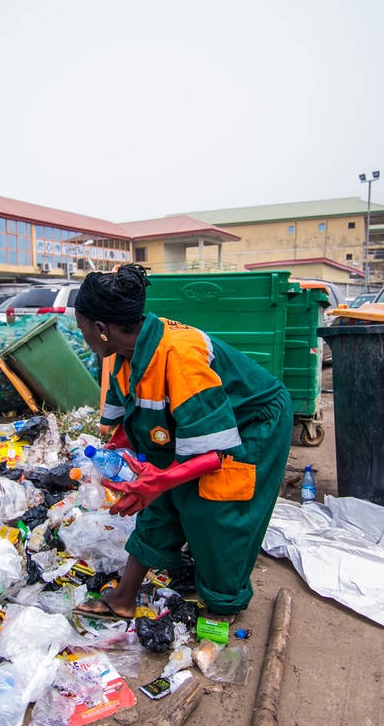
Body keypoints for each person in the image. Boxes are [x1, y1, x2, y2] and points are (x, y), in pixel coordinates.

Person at [72, 264, 293, 621]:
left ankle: (224, 604)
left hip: (252, 421)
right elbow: (132, 423)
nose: (82, 336)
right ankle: (124, 598)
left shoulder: (178, 357)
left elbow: (213, 454)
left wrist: (160, 481)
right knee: (159, 498)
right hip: (199, 424)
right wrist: (112, 458)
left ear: (101, 329)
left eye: (81, 329)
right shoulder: (125, 358)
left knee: (215, 508)